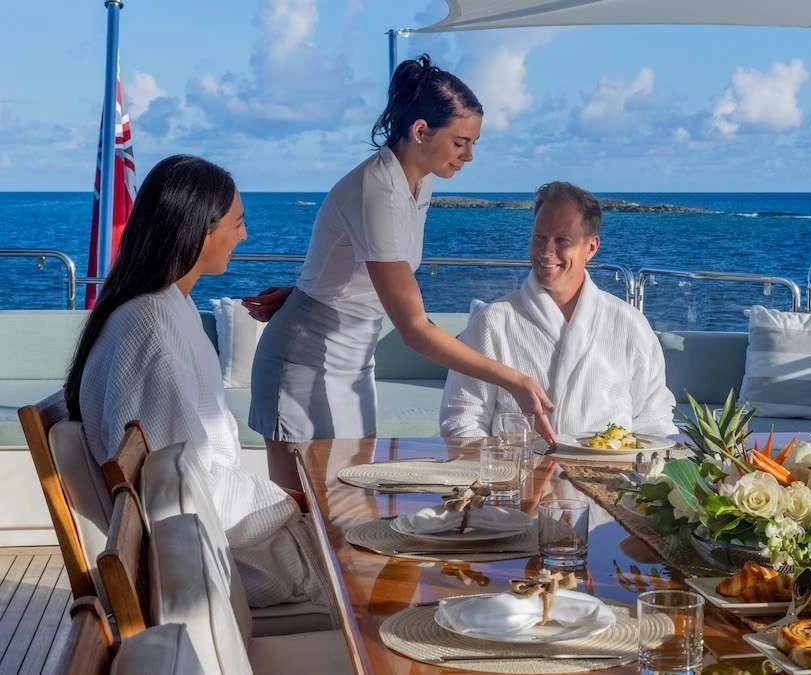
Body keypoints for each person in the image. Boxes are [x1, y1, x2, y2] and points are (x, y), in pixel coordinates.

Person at [244, 54, 554, 488]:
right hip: (305, 365)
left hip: (355, 362)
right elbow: (413, 329)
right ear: (421, 130)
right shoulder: (378, 191)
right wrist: (514, 379)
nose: (469, 156)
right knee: (310, 516)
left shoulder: (420, 181)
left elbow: (351, 265)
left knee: (355, 506)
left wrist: (305, 291)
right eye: (461, 142)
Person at [65, 155, 325, 609]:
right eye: (238, 223)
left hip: (206, 540)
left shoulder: (165, 309)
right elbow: (182, 489)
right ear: (197, 229)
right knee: (366, 561)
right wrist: (290, 499)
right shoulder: (151, 330)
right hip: (202, 562)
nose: (245, 236)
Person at [439, 181, 677, 438]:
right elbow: (461, 420)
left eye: (562, 240)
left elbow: (655, 420)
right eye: (539, 238)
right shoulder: (493, 322)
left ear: (591, 247)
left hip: (611, 473)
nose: (546, 251)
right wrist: (503, 469)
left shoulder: (630, 324)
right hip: (520, 474)